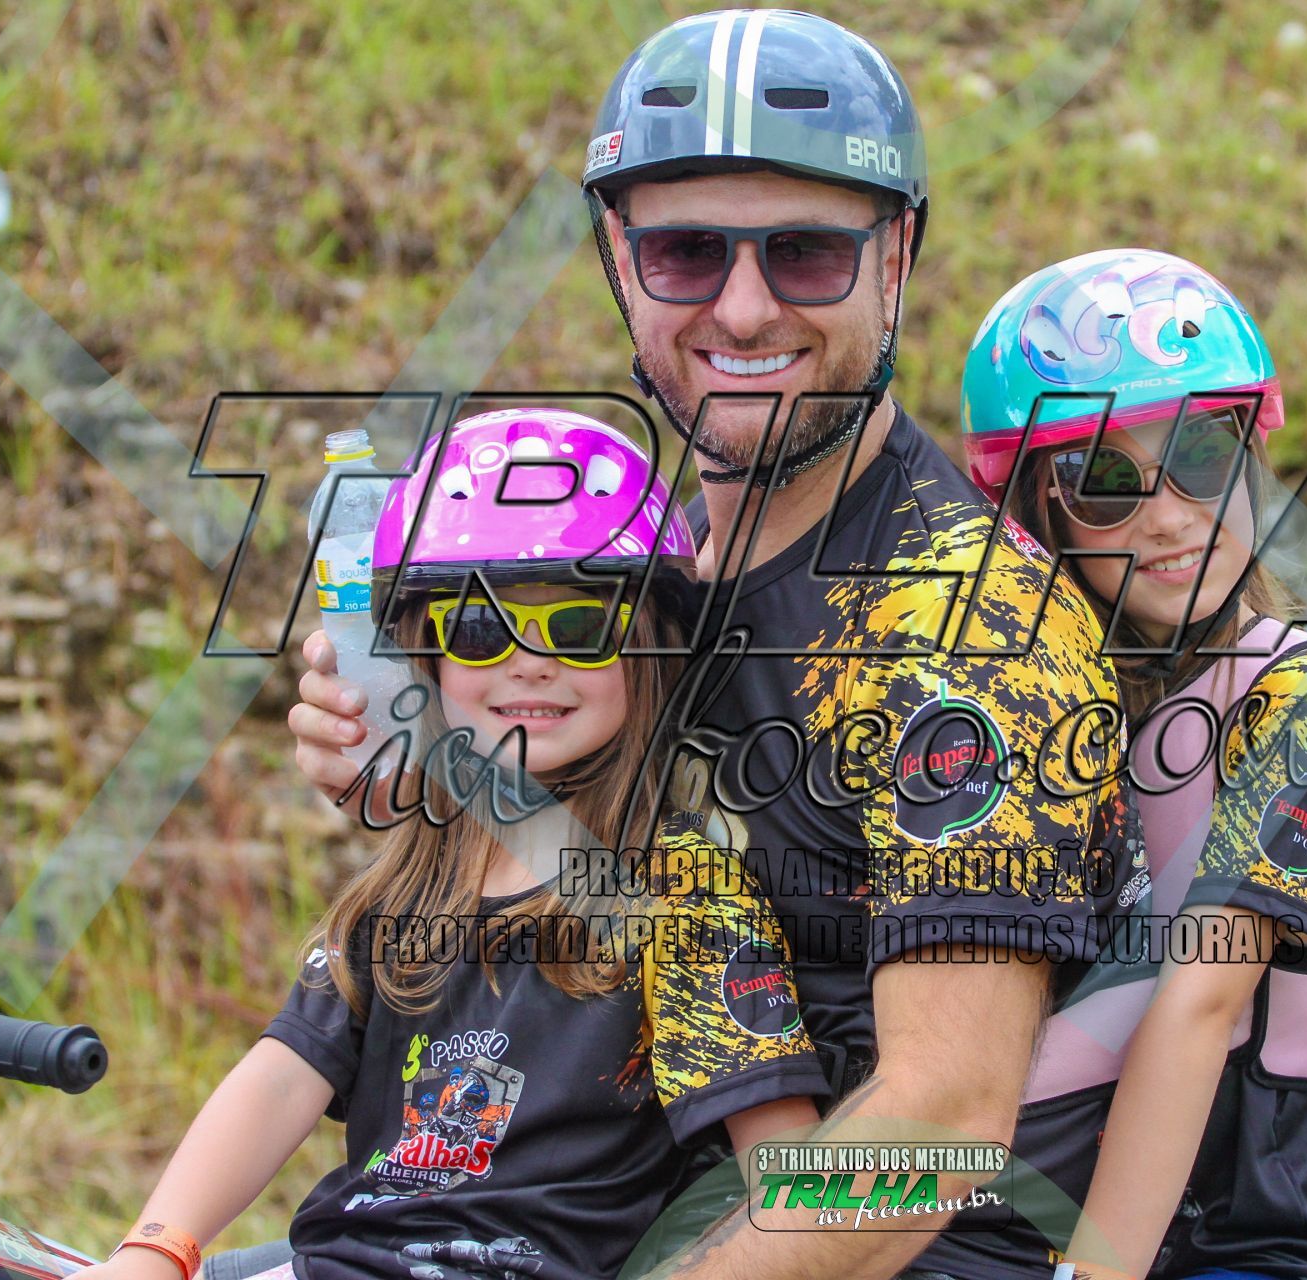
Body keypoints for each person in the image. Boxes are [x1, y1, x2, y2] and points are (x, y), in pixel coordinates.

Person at [291, 12, 1136, 1280]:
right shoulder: (652, 568)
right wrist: (438, 769)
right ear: (618, 259)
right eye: (687, 251)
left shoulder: (958, 626)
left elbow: (943, 1124)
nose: (743, 309)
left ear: (896, 257)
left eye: (806, 252)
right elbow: (622, 875)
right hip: (585, 1218)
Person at [81, 409, 828, 1280]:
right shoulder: (410, 877)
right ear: (420, 656)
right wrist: (158, 1247)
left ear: (649, 647)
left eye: (579, 627)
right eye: (478, 628)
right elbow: (283, 1075)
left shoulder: (679, 894)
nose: (528, 662)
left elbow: (785, 1169)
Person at [961, 249, 1307, 1280]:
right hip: (1080, 1185)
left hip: (1273, 1221)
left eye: (1202, 456)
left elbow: (1203, 1004)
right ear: (1040, 510)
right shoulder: (1070, 701)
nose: (1169, 515)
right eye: (1104, 481)